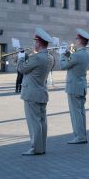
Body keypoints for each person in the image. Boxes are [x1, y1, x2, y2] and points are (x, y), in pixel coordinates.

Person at [18, 28, 54, 156]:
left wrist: (21, 57)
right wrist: (26, 57)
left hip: (31, 93)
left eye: (35, 42)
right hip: (41, 92)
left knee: (34, 123)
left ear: (38, 43)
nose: (34, 44)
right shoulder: (49, 58)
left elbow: (22, 69)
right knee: (42, 122)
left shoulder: (37, 58)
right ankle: (41, 146)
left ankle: (36, 148)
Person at [60, 28, 89, 144]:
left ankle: (79, 136)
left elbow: (63, 65)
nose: (75, 40)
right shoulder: (86, 53)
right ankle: (82, 135)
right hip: (81, 85)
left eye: (77, 38)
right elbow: (73, 60)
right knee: (81, 112)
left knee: (75, 114)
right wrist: (67, 53)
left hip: (74, 86)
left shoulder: (78, 55)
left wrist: (62, 54)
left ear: (80, 41)